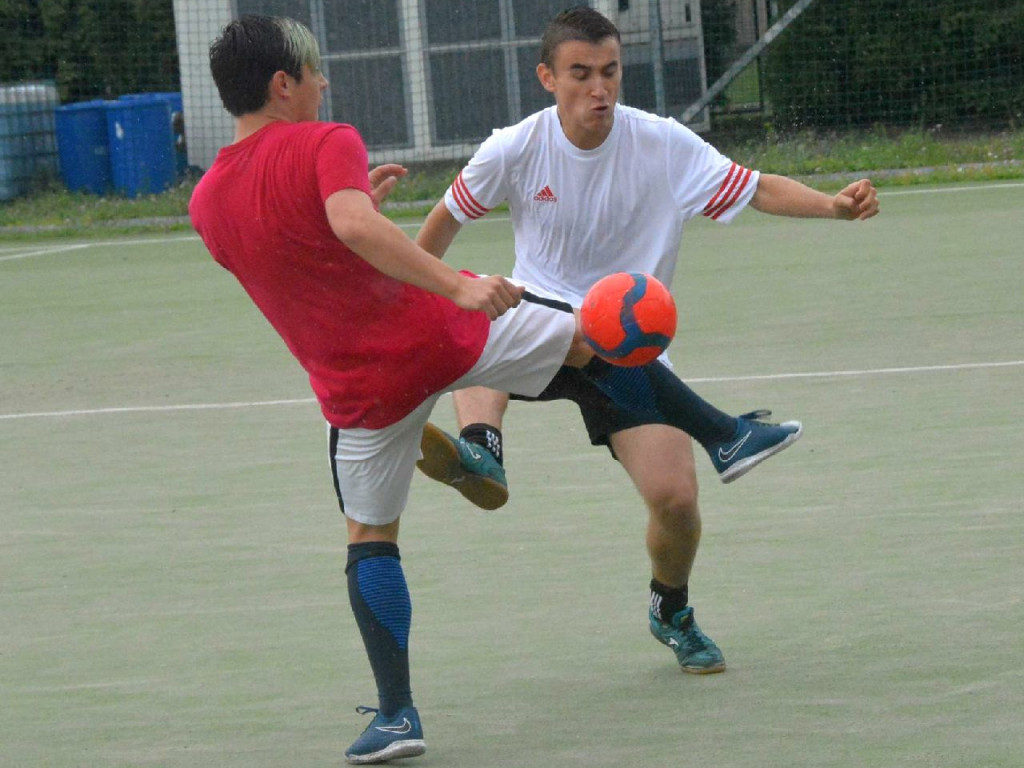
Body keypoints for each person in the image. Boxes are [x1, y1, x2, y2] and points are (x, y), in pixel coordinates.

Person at [189, 15, 604, 764]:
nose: (325, 84)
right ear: (284, 84)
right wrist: (451, 280)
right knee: (587, 349)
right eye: (315, 73)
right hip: (432, 337)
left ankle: (397, 715)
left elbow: (307, 261)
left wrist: (355, 219)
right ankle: (712, 432)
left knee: (369, 540)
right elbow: (349, 228)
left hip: (358, 393)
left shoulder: (206, 202)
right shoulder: (327, 140)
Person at [416, 6, 879, 676]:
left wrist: (832, 206)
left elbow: (755, 189)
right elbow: (441, 227)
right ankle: (482, 451)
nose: (598, 88)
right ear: (548, 76)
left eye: (609, 72)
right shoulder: (513, 148)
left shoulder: (661, 143)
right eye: (580, 74)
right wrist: (410, 297)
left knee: (678, 502)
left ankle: (672, 609)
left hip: (630, 353)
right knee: (481, 308)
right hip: (541, 325)